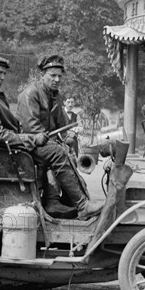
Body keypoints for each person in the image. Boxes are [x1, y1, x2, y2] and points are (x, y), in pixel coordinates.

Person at [17, 55, 103, 220]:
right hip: (29, 144)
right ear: (43, 75)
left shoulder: (55, 96)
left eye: (59, 76)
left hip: (44, 144)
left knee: (66, 150)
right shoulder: (30, 94)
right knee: (58, 152)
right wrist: (57, 143)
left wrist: (67, 139)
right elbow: (32, 129)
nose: (57, 79)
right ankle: (83, 206)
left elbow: (61, 126)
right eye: (52, 76)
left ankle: (59, 202)